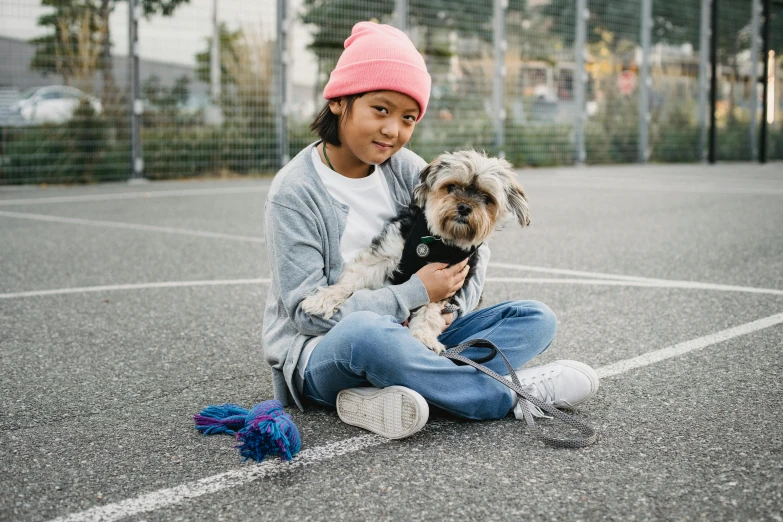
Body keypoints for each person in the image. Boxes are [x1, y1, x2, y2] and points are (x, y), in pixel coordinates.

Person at [263, 21, 599, 439]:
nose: (393, 131)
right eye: (380, 110)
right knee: (369, 335)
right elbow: (305, 315)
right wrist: (414, 294)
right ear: (339, 101)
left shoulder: (407, 168)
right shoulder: (295, 192)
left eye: (408, 118)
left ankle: (399, 390)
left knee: (534, 317)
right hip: (324, 351)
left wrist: (442, 311)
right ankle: (507, 394)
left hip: (419, 330)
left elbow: (471, 254)